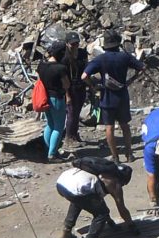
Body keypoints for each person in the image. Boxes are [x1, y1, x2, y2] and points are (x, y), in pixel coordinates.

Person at [55, 158, 132, 238]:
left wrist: (112, 224)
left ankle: (66, 234)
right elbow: (122, 209)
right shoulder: (114, 183)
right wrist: (131, 225)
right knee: (101, 214)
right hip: (76, 189)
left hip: (62, 182)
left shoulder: (100, 170)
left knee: (79, 201)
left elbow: (98, 202)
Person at [83, 30, 138, 159]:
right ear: (118, 43)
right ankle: (129, 153)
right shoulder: (125, 57)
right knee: (125, 125)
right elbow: (143, 67)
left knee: (109, 127)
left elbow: (84, 76)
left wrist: (93, 85)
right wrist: (130, 80)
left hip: (107, 97)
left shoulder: (100, 59)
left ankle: (115, 157)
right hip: (122, 96)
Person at [35, 41, 73, 161]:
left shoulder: (41, 66)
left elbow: (38, 80)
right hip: (57, 98)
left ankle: (49, 150)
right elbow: (66, 85)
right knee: (58, 127)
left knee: (50, 124)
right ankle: (52, 154)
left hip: (45, 97)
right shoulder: (60, 68)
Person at [59, 31, 90, 143]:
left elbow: (87, 67)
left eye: (77, 43)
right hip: (70, 87)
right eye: (72, 44)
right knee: (71, 113)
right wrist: (67, 95)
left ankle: (74, 134)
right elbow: (64, 78)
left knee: (77, 112)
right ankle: (68, 137)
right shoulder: (64, 58)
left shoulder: (82, 54)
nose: (75, 46)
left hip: (80, 86)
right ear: (67, 44)